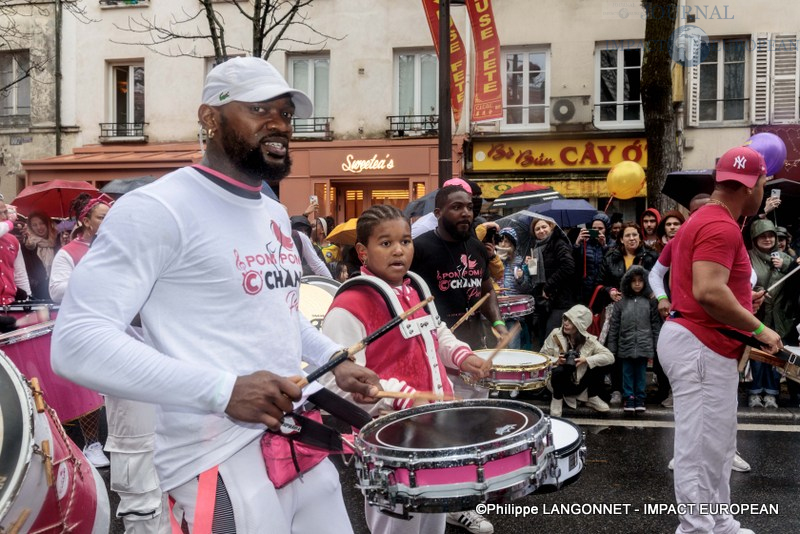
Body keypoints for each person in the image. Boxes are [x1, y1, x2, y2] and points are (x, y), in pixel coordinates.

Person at [51, 56, 381, 533]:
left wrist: (335, 359)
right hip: (215, 460)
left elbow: (272, 312)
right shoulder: (156, 208)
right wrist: (222, 390)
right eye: (259, 110)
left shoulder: (269, 211)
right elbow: (77, 341)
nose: (279, 125)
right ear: (209, 119)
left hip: (297, 441)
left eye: (285, 114)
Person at [321, 204, 491, 534]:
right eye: (386, 243)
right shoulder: (348, 306)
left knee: (432, 525)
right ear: (362, 251)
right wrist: (400, 398)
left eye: (406, 241)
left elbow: (436, 331)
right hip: (391, 445)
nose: (399, 250)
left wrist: (461, 356)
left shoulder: (413, 288)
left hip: (436, 431)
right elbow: (333, 382)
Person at [658, 145, 782, 534]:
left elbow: (711, 287)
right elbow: (709, 292)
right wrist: (760, 328)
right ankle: (696, 528)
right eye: (764, 183)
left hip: (702, 340)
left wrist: (744, 302)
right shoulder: (719, 225)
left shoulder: (708, 219)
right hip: (701, 342)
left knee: (717, 444)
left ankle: (718, 522)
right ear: (753, 185)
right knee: (699, 447)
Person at [598, 221, 658, 404]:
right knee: (616, 347)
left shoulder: (650, 256)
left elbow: (657, 278)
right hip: (618, 308)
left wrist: (653, 293)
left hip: (642, 308)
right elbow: (601, 281)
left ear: (640, 238)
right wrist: (610, 291)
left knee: (640, 354)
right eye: (627, 235)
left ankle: (639, 392)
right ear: (621, 239)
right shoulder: (611, 256)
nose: (631, 238)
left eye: (634, 235)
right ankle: (617, 389)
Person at [746, 219, 794, 408]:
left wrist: (784, 266)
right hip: (757, 313)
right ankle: (755, 391)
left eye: (770, 235)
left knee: (775, 355)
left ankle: (772, 392)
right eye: (762, 235)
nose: (767, 239)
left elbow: (793, 284)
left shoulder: (786, 258)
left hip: (779, 316)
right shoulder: (748, 257)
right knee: (756, 355)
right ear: (754, 238)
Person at [541, 304, 613, 417]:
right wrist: (556, 360)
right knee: (558, 370)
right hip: (558, 383)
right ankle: (557, 399)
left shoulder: (590, 341)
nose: (566, 323)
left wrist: (586, 360)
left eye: (571, 321)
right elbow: (541, 357)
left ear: (580, 325)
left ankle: (592, 396)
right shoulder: (555, 335)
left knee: (602, 364)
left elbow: (610, 357)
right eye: (565, 319)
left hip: (580, 383)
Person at [606, 265, 661, 412]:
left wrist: (657, 344)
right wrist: (612, 347)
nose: (637, 284)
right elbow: (614, 326)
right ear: (628, 282)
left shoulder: (650, 302)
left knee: (641, 373)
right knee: (627, 372)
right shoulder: (621, 303)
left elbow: (655, 324)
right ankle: (629, 397)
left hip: (644, 343)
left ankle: (640, 397)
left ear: (645, 283)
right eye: (634, 281)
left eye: (640, 281)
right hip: (625, 343)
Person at [526, 216, 575, 349]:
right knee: (544, 340)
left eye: (544, 227)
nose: (541, 231)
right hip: (544, 303)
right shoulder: (537, 248)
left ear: (551, 227)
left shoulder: (558, 243)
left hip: (560, 300)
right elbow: (536, 276)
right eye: (537, 229)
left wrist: (548, 287)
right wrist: (530, 265)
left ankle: (556, 369)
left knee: (552, 341)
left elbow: (568, 266)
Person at [573, 213, 609, 306]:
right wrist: (577, 243)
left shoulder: (611, 243)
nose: (597, 231)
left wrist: (604, 246)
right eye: (594, 228)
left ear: (606, 229)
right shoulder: (585, 242)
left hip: (602, 289)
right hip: (584, 289)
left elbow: (611, 264)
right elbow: (574, 262)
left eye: (600, 229)